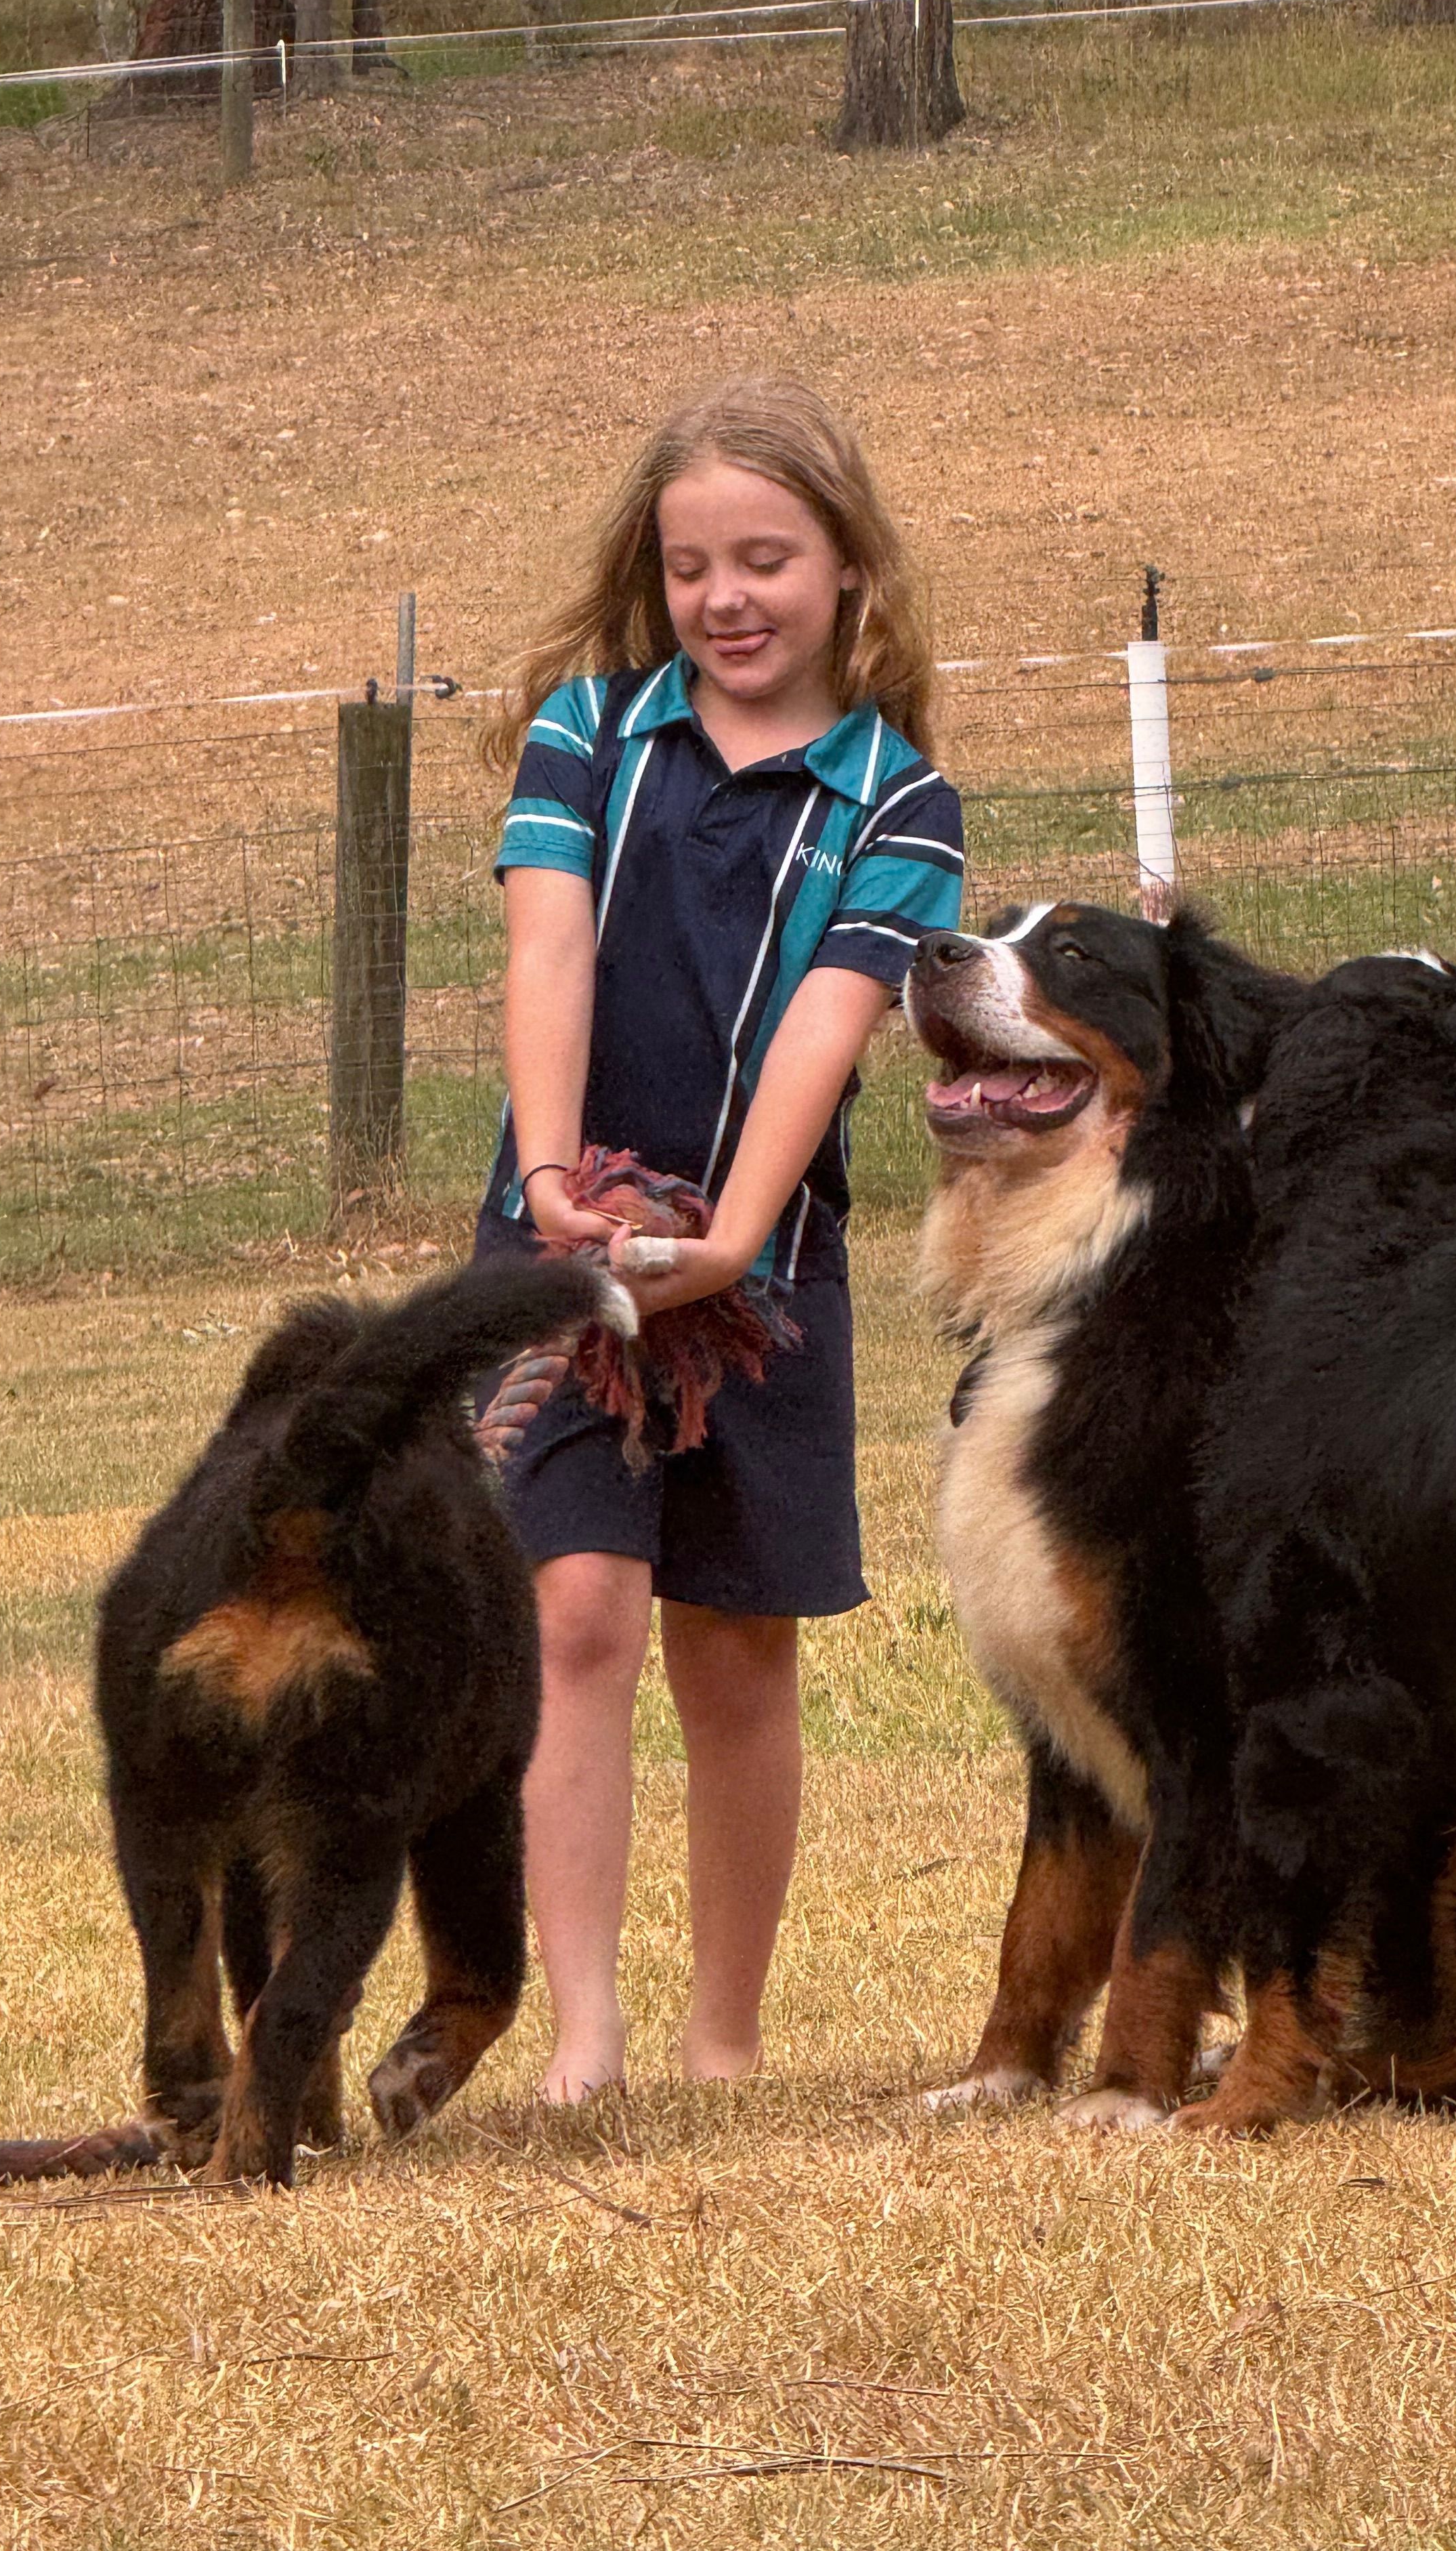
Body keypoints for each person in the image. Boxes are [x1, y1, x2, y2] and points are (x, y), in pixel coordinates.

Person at [474, 377, 966, 2103]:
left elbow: (830, 1032)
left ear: (848, 573)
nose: (728, 598)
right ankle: (586, 2038)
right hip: (556, 1235)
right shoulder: (585, 736)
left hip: (766, 1273)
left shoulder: (902, 807)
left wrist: (736, 1243)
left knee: (737, 1642)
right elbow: (547, 957)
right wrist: (551, 1188)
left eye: (767, 558)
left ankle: (723, 2042)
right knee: (580, 1610)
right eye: (693, 567)